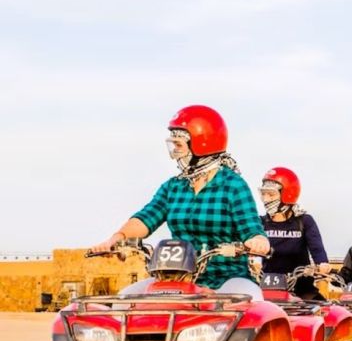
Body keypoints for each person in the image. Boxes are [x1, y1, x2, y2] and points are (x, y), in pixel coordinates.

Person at [91, 105, 269, 300]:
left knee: (251, 302)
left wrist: (258, 241)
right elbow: (146, 217)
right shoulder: (173, 187)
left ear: (201, 144)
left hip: (227, 277)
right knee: (124, 300)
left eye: (178, 145)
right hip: (176, 280)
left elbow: (251, 227)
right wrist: (117, 238)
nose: (174, 152)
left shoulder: (233, 186)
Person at [258, 166, 330, 299]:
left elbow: (317, 249)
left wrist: (322, 264)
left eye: (271, 194)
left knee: (324, 313)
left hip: (302, 289)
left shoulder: (304, 221)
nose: (265, 199)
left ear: (287, 194)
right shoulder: (260, 223)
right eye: (263, 194)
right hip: (268, 290)